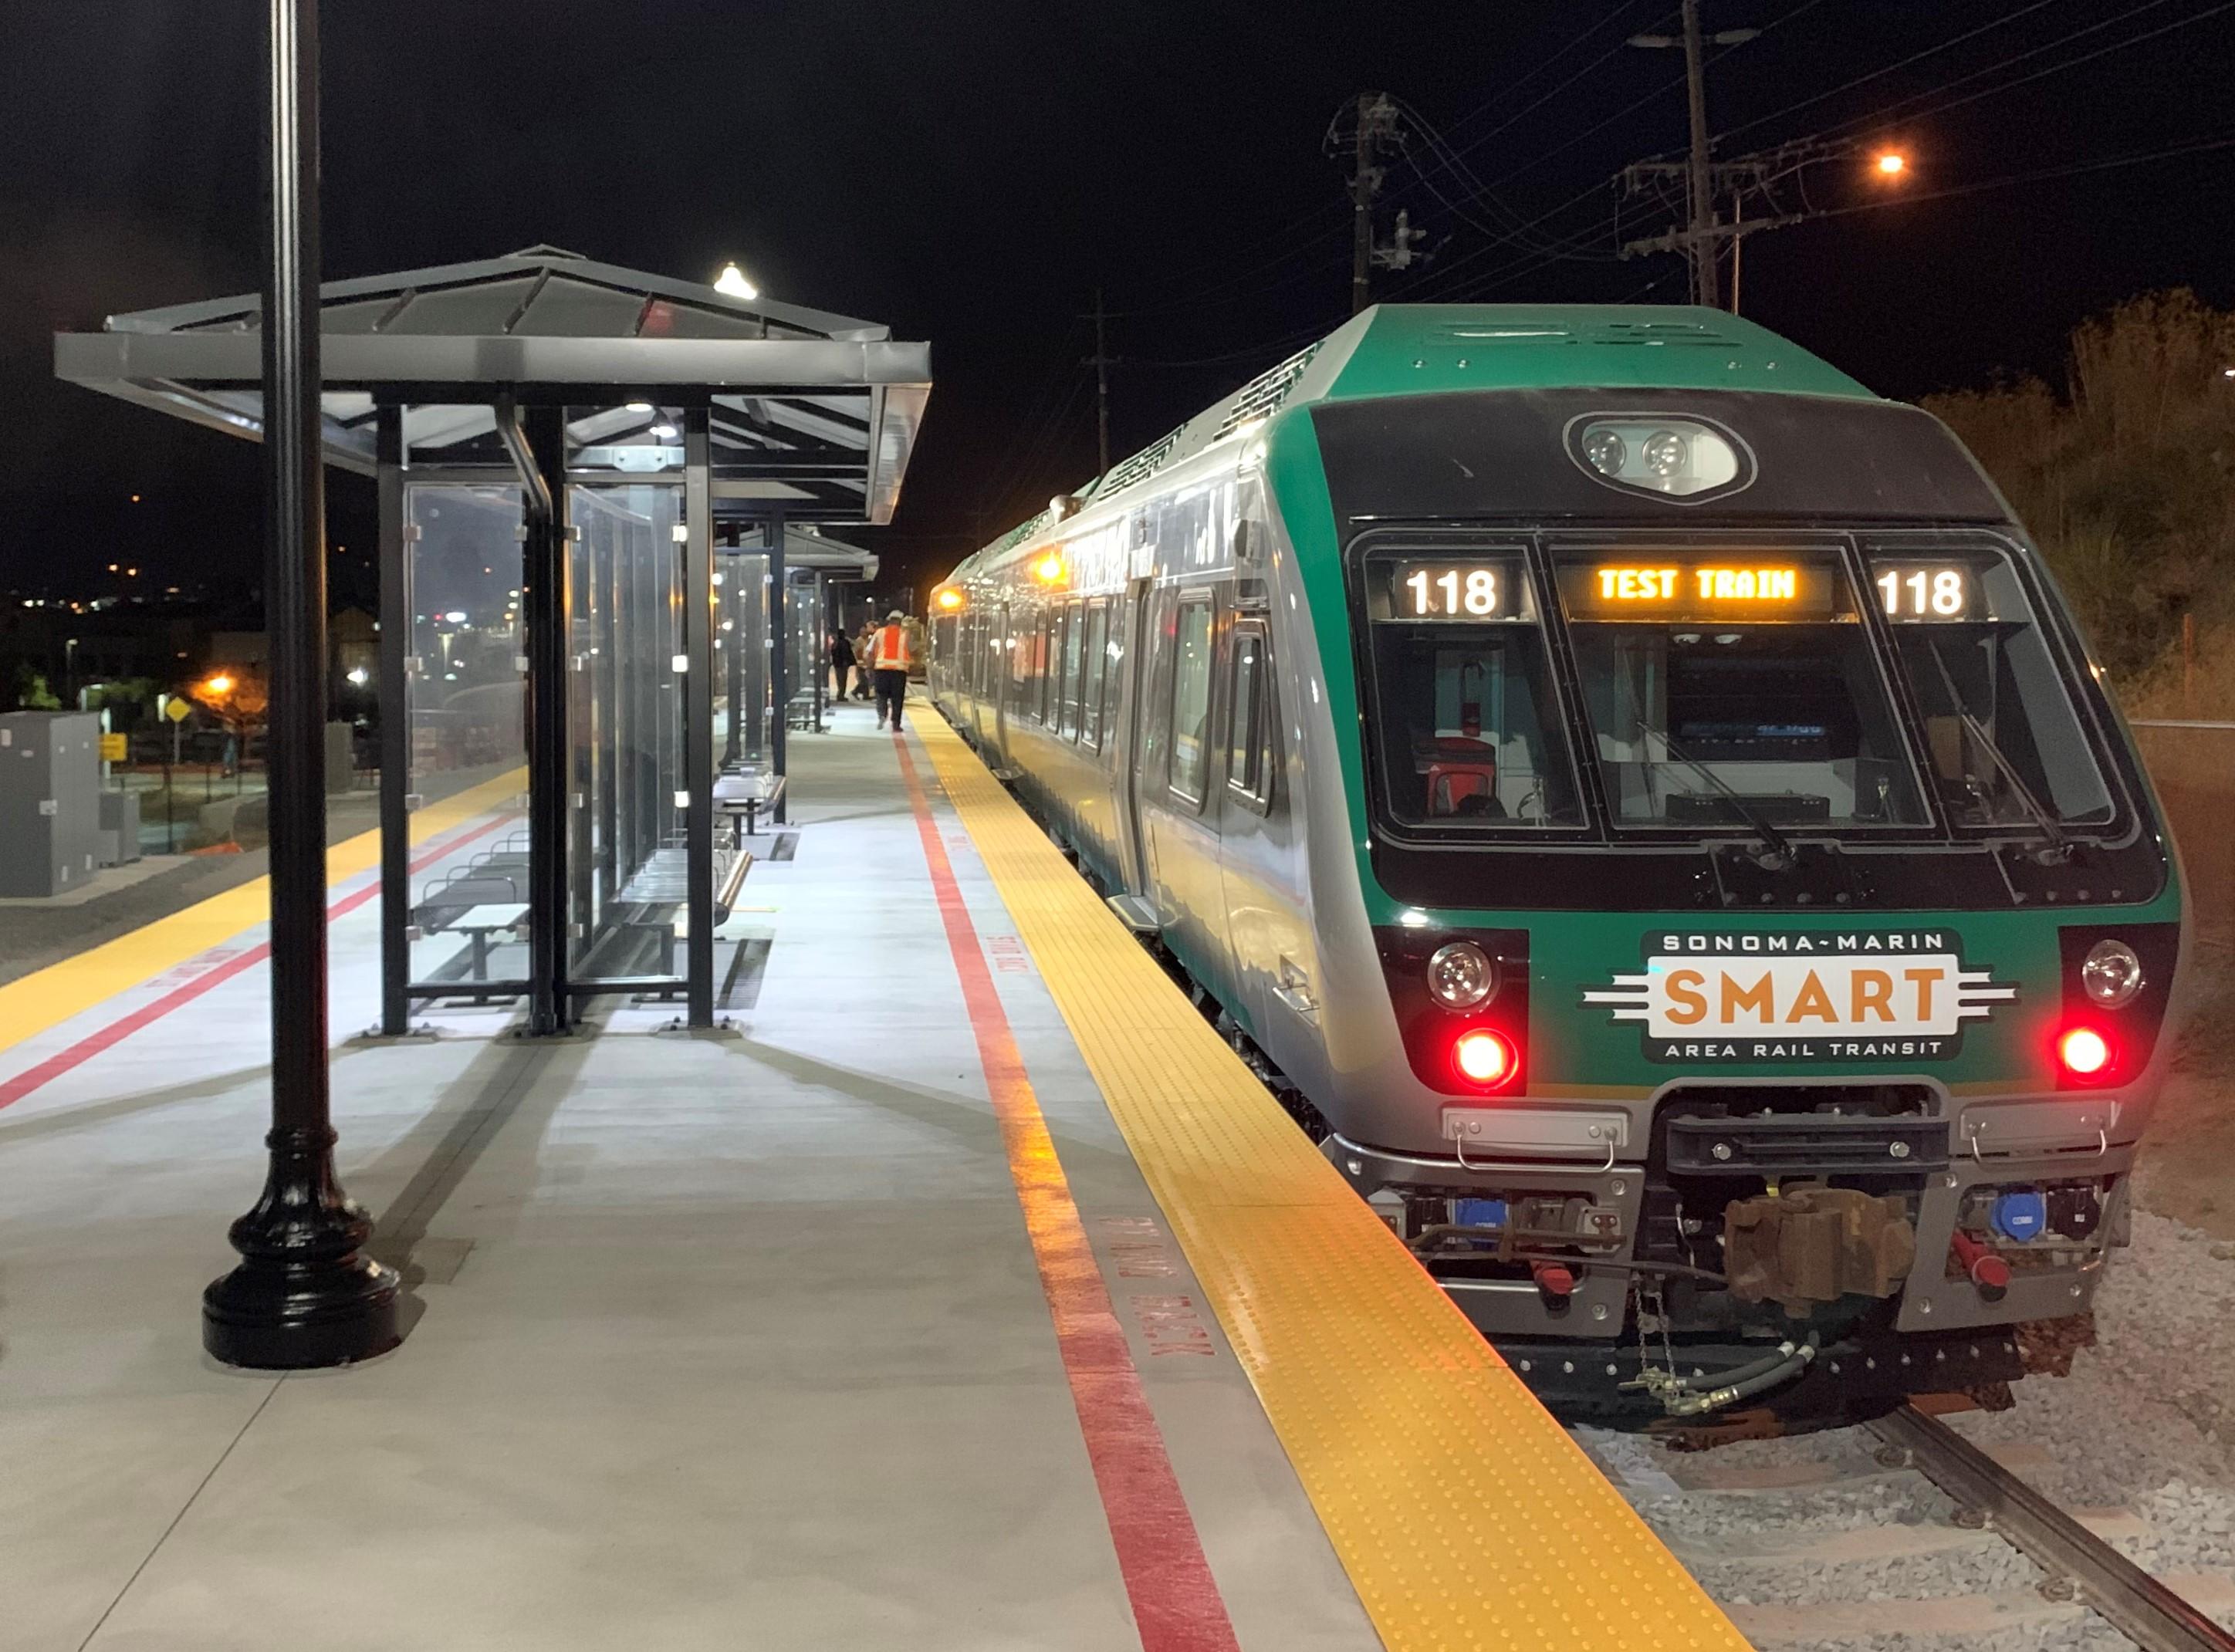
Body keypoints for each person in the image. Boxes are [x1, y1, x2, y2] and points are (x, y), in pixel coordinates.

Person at [869, 609, 912, 731]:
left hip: (881, 669)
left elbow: (870, 651)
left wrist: (869, 667)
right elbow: (913, 649)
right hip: (899, 670)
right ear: (900, 621)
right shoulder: (906, 634)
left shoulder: (879, 632)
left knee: (881, 695)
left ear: (889, 620)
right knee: (897, 698)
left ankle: (882, 715)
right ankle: (896, 724)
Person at [827, 625, 856, 702]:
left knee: (840, 680)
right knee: (843, 680)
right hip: (843, 664)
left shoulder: (835, 643)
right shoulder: (845, 642)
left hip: (838, 664)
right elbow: (848, 652)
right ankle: (841, 695)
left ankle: (840, 694)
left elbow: (833, 653)